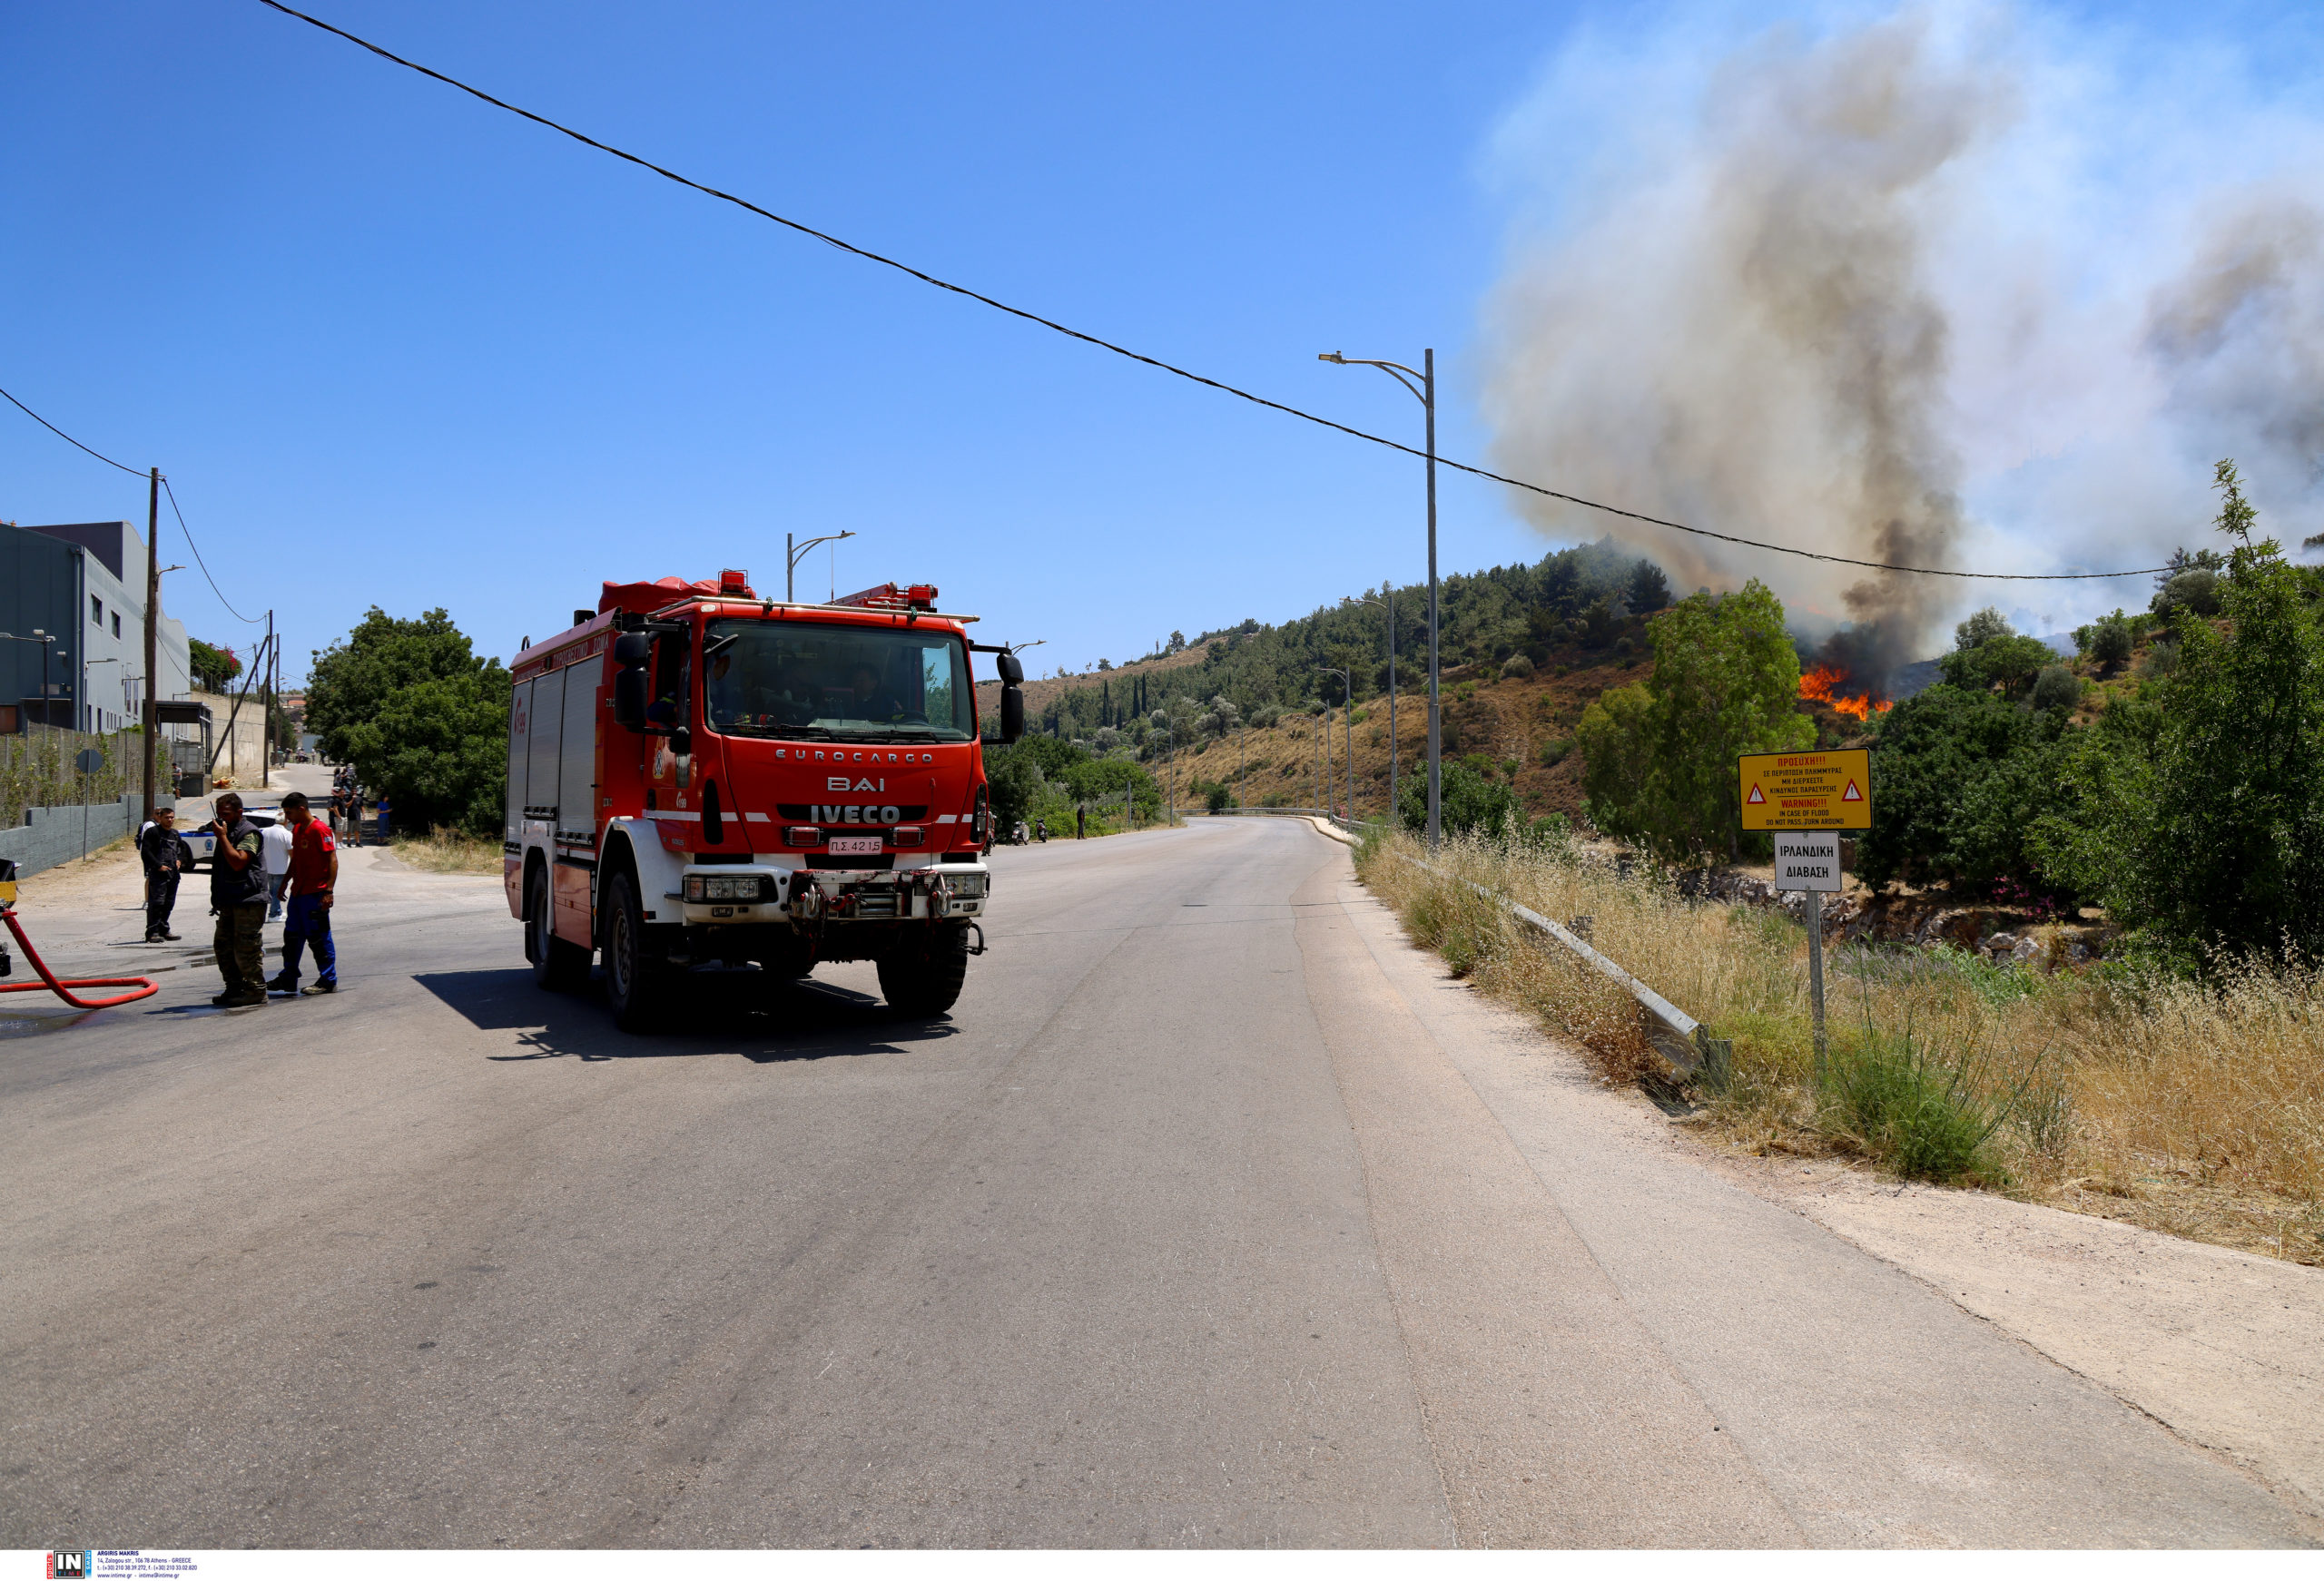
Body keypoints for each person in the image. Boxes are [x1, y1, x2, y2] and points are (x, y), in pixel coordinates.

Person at [267, 790, 338, 997]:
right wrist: (284, 882)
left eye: (289, 813)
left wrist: (329, 890)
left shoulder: (320, 829)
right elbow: (296, 860)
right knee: (291, 937)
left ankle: (328, 980)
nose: (287, 818)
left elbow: (332, 860)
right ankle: (289, 977)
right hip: (298, 893)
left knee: (318, 938)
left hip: (316, 894)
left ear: (301, 809)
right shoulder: (297, 829)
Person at [203, 793, 269, 1007]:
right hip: (230, 901)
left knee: (246, 948)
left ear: (239, 813)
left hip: (248, 900)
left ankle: (256, 991)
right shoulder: (228, 831)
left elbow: (239, 863)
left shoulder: (248, 832)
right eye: (219, 814)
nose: (222, 818)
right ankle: (234, 988)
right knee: (222, 945)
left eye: (226, 814)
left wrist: (222, 837)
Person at [138, 806, 191, 942]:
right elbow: (146, 852)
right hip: (158, 874)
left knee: (169, 903)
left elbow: (182, 848)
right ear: (160, 818)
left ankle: (164, 929)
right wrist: (158, 866)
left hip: (173, 874)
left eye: (172, 817)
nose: (170, 820)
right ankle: (152, 932)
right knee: (157, 903)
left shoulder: (175, 833)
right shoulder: (152, 832)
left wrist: (179, 860)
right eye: (167, 817)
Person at [259, 812, 292, 921]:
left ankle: (277, 911)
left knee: (272, 891)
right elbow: (292, 853)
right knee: (277, 892)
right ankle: (273, 914)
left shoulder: (265, 832)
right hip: (280, 868)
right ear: (285, 821)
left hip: (267, 867)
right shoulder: (286, 834)